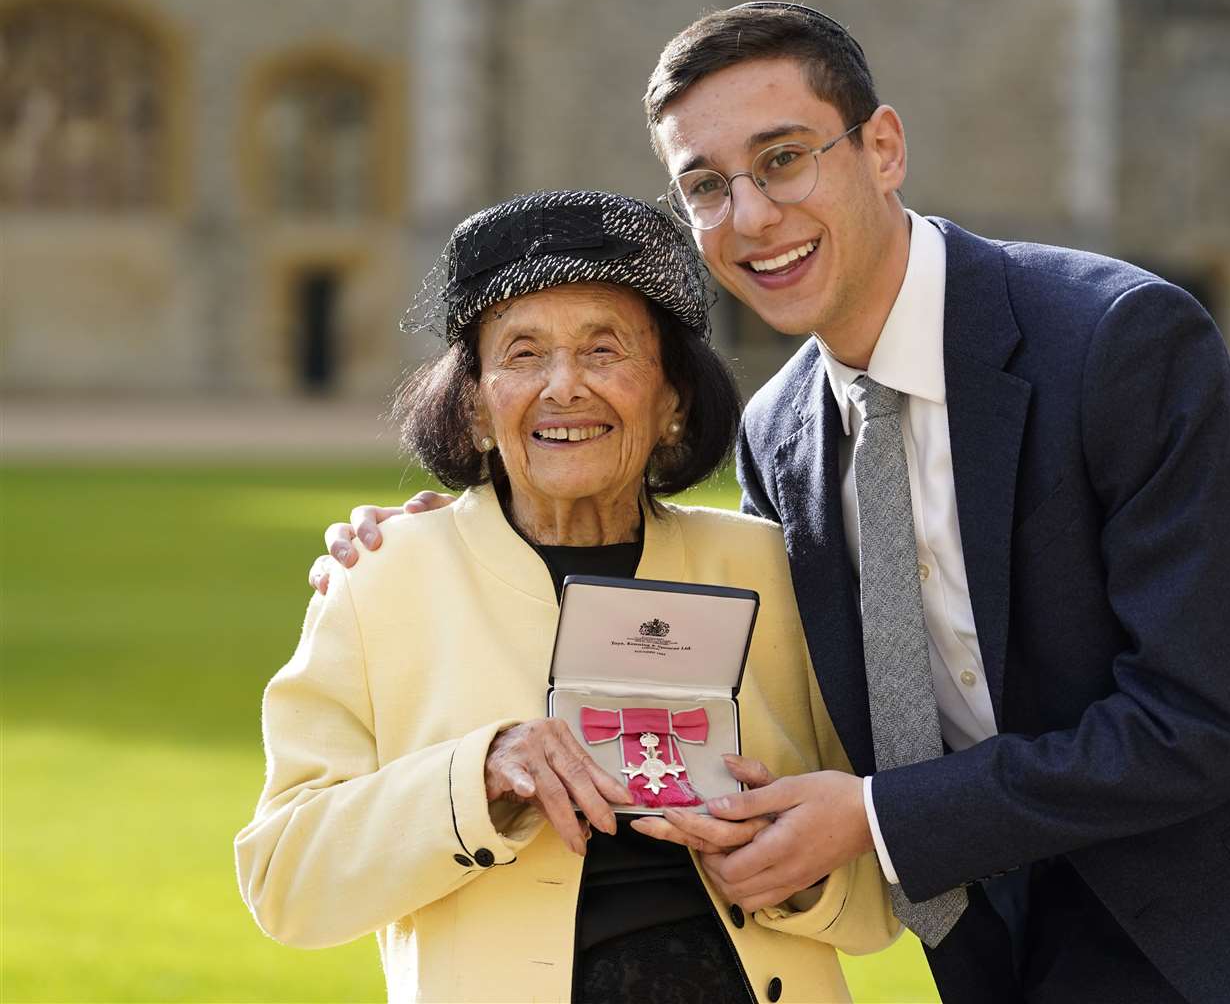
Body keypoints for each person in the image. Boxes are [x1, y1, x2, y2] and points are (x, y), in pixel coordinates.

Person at [314, 6, 1230, 1004]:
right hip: (1051, 935)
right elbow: (644, 555)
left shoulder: (1118, 339)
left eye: (783, 158)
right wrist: (434, 529)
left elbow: (1196, 720)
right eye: (704, 187)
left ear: (883, 148)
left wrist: (866, 818)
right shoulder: (778, 437)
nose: (750, 217)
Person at [238, 189, 897, 1003]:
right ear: (475, 405)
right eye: (521, 354)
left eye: (604, 350)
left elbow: (877, 898)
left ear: (672, 402)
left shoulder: (774, 571)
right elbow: (285, 884)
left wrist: (789, 866)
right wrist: (477, 773)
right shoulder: (382, 579)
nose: (564, 387)